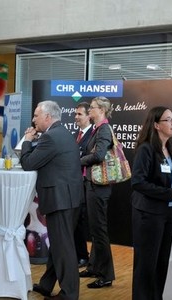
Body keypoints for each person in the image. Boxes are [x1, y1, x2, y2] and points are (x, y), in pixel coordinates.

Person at [21, 100, 82, 300]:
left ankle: (70, 293)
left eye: (36, 115)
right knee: (58, 245)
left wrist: (28, 140)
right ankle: (47, 284)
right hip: (68, 197)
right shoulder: (62, 133)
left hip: (60, 199)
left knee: (63, 248)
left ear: (47, 117)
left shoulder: (50, 138)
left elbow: (29, 163)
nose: (33, 119)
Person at [130, 106, 172, 300]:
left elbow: (166, 179)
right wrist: (170, 192)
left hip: (167, 213)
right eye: (168, 119)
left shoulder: (168, 148)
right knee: (146, 265)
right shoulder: (146, 149)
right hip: (148, 214)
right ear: (156, 125)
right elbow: (138, 182)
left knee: (161, 263)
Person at [79, 96, 115, 289]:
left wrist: (79, 160)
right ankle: (94, 266)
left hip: (99, 187)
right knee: (95, 229)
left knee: (99, 231)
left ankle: (106, 274)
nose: (89, 111)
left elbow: (99, 155)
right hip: (93, 184)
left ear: (101, 110)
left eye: (92, 108)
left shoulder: (104, 129)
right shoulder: (98, 129)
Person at [73, 101, 92, 268]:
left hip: (87, 184)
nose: (76, 117)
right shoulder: (75, 135)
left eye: (80, 114)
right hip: (75, 183)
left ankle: (84, 256)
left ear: (89, 116)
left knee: (82, 221)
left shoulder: (93, 135)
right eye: (75, 114)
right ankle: (78, 254)